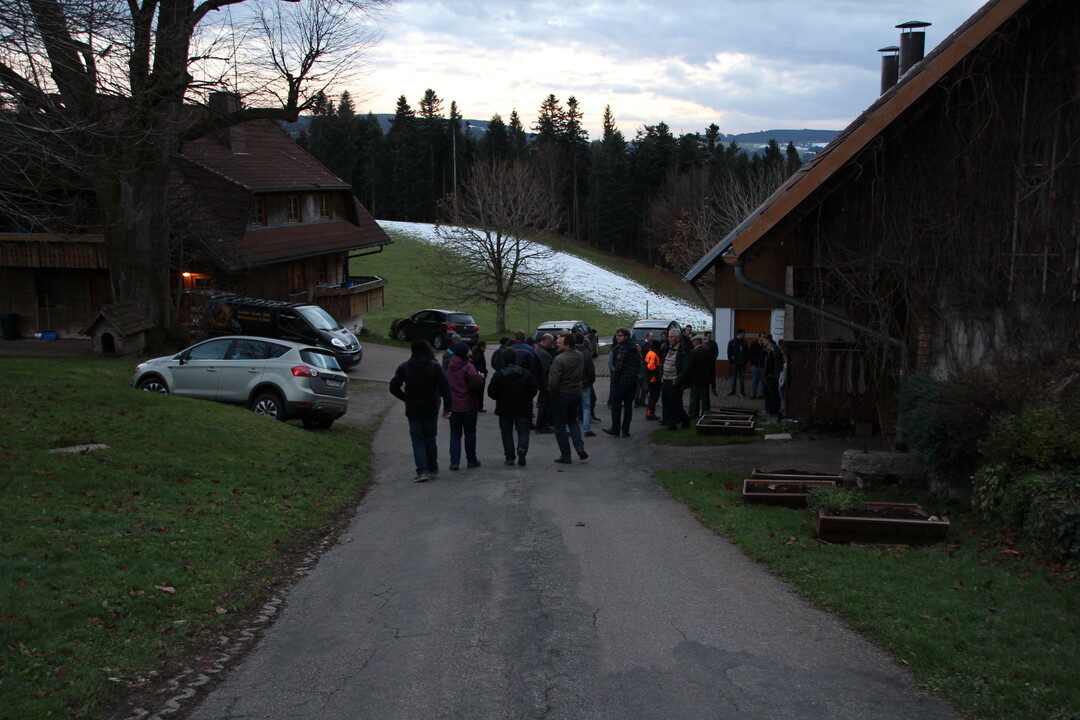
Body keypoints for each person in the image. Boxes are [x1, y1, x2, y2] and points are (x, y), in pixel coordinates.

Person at [389, 338, 451, 482]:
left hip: (413, 408)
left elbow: (393, 387)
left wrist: (405, 398)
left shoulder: (405, 367)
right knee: (430, 438)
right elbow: (445, 387)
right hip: (431, 407)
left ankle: (421, 471)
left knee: (418, 440)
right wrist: (448, 407)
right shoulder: (434, 366)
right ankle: (433, 468)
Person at [488, 347, 538, 466]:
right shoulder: (526, 373)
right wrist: (527, 397)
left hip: (504, 408)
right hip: (523, 406)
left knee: (506, 433)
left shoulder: (498, 375)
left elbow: (491, 392)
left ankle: (509, 457)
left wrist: (499, 397)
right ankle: (522, 448)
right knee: (524, 431)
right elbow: (533, 389)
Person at [547, 332, 588, 464]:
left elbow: (553, 380)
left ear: (567, 344)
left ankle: (566, 454)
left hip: (562, 393)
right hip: (576, 392)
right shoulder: (579, 355)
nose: (557, 344)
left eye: (559, 342)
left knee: (560, 426)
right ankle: (579, 446)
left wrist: (551, 393)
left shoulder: (559, 359)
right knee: (573, 421)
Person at [445, 342, 484, 471]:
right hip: (468, 404)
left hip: (453, 404)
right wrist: (480, 377)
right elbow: (474, 385)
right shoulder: (469, 367)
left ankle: (454, 461)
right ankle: (471, 459)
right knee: (470, 433)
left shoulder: (451, 366)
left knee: (455, 434)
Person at [604, 327, 642, 437]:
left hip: (622, 382)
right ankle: (625, 430)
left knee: (616, 405)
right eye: (617, 335)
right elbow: (640, 362)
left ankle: (615, 429)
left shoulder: (622, 348)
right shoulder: (634, 347)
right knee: (628, 406)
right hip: (633, 381)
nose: (618, 337)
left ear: (626, 336)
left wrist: (616, 378)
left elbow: (618, 366)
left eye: (620, 335)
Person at [660, 329, 691, 431]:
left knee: (675, 404)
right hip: (666, 380)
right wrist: (662, 375)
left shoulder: (683, 349)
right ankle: (673, 422)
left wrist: (678, 380)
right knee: (667, 402)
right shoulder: (668, 348)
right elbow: (663, 361)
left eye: (671, 337)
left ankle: (679, 422)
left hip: (674, 381)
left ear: (678, 338)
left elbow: (686, 367)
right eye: (669, 337)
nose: (669, 339)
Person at [574, 331, 597, 437]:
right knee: (586, 407)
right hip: (585, 384)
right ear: (583, 341)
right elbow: (591, 371)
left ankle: (572, 428)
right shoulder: (586, 354)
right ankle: (586, 429)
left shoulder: (570, 353)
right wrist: (590, 381)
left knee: (573, 407)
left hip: (573, 384)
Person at [532, 333, 555, 433]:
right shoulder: (543, 353)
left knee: (544, 404)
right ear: (547, 341)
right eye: (552, 342)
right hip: (545, 383)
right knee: (544, 405)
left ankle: (543, 424)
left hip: (541, 382)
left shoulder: (538, 350)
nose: (553, 344)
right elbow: (548, 369)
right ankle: (541, 426)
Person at [687, 335, 713, 418]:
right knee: (705, 397)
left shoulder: (692, 353)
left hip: (695, 379)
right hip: (705, 379)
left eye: (693, 341)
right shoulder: (708, 352)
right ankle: (706, 413)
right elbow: (711, 366)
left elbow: (690, 367)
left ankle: (693, 414)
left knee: (694, 397)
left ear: (697, 342)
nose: (692, 343)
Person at [762, 334, 783, 419]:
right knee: (772, 392)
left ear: (767, 340)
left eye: (764, 340)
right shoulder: (775, 348)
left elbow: (770, 363)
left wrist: (766, 373)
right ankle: (772, 410)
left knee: (770, 393)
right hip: (775, 374)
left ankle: (771, 410)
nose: (763, 342)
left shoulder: (772, 349)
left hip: (771, 376)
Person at [726, 329, 749, 396]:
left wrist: (746, 360)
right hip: (735, 363)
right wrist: (731, 361)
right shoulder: (732, 342)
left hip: (742, 363)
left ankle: (742, 391)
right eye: (743, 333)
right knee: (734, 378)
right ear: (740, 334)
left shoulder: (744, 342)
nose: (744, 335)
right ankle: (733, 391)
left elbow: (747, 352)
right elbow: (729, 352)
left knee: (742, 378)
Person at [643, 339, 662, 421]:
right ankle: (650, 414)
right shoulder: (654, 354)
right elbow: (650, 366)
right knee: (654, 397)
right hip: (653, 379)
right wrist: (657, 373)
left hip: (650, 378)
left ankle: (650, 413)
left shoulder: (650, 353)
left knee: (652, 397)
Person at [634, 331, 654, 406]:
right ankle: (636, 402)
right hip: (638, 373)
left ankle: (642, 401)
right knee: (638, 389)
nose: (639, 348)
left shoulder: (643, 353)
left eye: (639, 346)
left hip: (644, 372)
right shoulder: (635, 356)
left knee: (645, 388)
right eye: (637, 347)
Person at [471, 340, 488, 412]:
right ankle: (479, 406)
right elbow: (479, 366)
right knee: (480, 391)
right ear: (481, 346)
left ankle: (478, 406)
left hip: (478, 374)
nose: (486, 348)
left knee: (478, 391)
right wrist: (484, 372)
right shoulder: (479, 355)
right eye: (485, 346)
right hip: (480, 374)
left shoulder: (477, 353)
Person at [748, 334, 766, 399]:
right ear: (759, 337)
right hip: (755, 366)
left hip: (763, 366)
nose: (762, 339)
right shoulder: (754, 344)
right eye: (762, 337)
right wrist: (752, 363)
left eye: (764, 337)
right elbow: (750, 353)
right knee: (755, 381)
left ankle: (762, 394)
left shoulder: (765, 346)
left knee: (763, 381)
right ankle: (753, 394)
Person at [704, 331, 720, 395]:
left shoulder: (713, 343)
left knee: (713, 376)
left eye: (710, 336)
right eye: (708, 336)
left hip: (712, 362)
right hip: (705, 363)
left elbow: (716, 352)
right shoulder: (703, 343)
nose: (709, 337)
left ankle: (713, 389)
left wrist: (714, 359)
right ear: (705, 336)